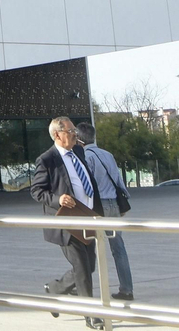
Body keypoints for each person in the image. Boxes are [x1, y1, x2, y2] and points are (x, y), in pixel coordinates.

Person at [32, 117, 104, 330]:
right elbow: (36, 191)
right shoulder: (47, 160)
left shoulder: (79, 152)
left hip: (87, 217)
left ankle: (55, 289)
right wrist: (58, 199)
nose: (75, 134)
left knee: (89, 266)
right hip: (67, 222)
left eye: (75, 130)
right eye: (71, 131)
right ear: (57, 135)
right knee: (82, 269)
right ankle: (92, 316)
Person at [78, 122, 134, 302]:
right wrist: (123, 203)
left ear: (79, 139)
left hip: (98, 205)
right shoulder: (107, 154)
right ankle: (126, 289)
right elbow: (118, 180)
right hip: (113, 205)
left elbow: (88, 185)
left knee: (89, 248)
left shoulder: (86, 156)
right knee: (118, 249)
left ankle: (79, 285)